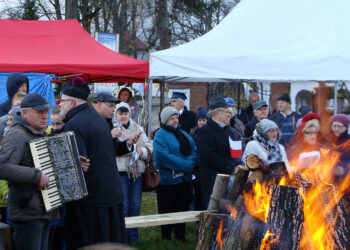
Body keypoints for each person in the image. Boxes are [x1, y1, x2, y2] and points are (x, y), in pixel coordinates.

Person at [59, 77, 138, 249]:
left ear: (71, 102)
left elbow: (79, 168)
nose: (60, 105)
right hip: (109, 194)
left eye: (61, 101)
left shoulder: (74, 124)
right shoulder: (98, 120)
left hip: (90, 202)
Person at [0, 93, 54, 249]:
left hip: (40, 211)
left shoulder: (36, 133)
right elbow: (2, 167)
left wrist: (75, 163)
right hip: (27, 213)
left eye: (46, 112)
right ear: (24, 113)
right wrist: (36, 176)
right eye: (39, 112)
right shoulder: (17, 134)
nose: (45, 116)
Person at [153, 106, 197, 241]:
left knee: (182, 207)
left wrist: (190, 163)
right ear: (165, 120)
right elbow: (163, 156)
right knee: (167, 208)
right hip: (168, 181)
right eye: (172, 118)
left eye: (176, 117)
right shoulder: (160, 135)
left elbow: (193, 150)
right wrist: (185, 165)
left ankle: (180, 235)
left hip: (184, 180)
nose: (175, 120)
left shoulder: (183, 134)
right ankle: (166, 236)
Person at [114, 102, 152, 244]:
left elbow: (149, 146)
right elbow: (115, 151)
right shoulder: (114, 130)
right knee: (124, 206)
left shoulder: (139, 128)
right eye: (120, 113)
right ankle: (123, 238)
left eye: (125, 113)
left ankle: (133, 237)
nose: (123, 116)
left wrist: (142, 151)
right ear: (116, 115)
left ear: (130, 114)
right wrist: (130, 148)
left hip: (137, 173)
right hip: (122, 172)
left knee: (135, 205)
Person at [196, 98, 243, 207]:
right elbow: (208, 157)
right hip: (213, 181)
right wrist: (230, 167)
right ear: (217, 112)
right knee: (215, 213)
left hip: (231, 179)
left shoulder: (231, 131)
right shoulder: (205, 132)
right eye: (227, 112)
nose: (229, 115)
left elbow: (236, 153)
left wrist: (238, 165)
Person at [189, 107, 208, 211]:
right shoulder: (193, 134)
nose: (202, 123)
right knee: (198, 195)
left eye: (204, 120)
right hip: (197, 170)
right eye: (200, 120)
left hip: (206, 169)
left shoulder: (209, 133)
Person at [328, 114, 350, 183]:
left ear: (346, 127)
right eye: (334, 126)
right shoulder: (326, 140)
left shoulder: (348, 141)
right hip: (328, 178)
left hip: (346, 180)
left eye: (339, 126)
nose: (336, 129)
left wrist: (345, 169)